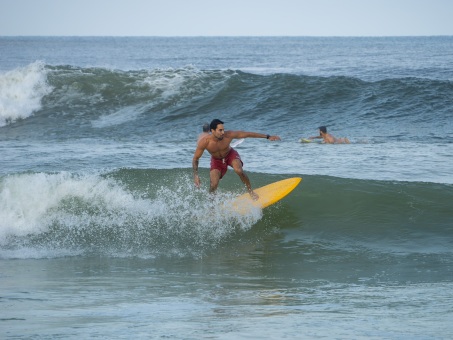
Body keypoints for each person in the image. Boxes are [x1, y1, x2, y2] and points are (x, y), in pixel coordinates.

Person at [192, 119, 281, 200]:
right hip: (216, 160)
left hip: (230, 154)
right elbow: (195, 158)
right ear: (212, 131)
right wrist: (196, 175)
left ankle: (251, 192)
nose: (223, 132)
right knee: (213, 185)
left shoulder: (228, 135)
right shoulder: (205, 142)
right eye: (220, 130)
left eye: (223, 129)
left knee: (239, 170)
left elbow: (247, 134)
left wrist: (267, 137)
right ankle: (211, 206)